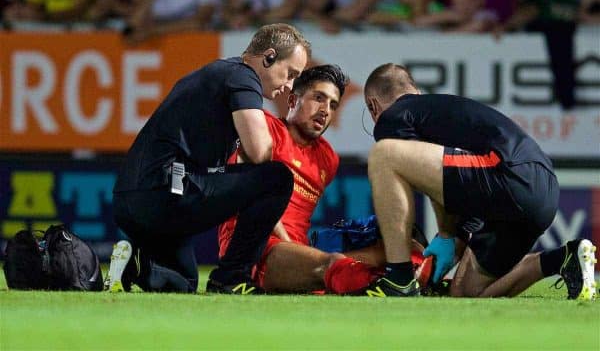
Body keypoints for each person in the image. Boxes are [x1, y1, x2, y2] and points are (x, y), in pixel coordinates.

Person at [104, 23, 310, 295]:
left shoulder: (215, 75)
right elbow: (260, 153)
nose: (290, 85)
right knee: (278, 177)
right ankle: (231, 277)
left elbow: (246, 183)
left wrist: (285, 241)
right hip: (165, 194)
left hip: (132, 200)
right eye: (290, 73)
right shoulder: (243, 76)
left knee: (184, 283)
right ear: (269, 57)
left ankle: (137, 265)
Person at [361, 63, 597, 299]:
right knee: (465, 290)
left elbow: (440, 176)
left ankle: (400, 278)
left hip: (507, 172)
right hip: (544, 189)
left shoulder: (392, 117)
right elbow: (460, 182)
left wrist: (446, 235)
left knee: (384, 154)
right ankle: (564, 258)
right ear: (417, 92)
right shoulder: (437, 111)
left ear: (373, 106)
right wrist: (459, 237)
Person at [218, 64, 429, 294]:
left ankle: (397, 280)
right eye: (318, 98)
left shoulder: (327, 158)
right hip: (257, 252)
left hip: (297, 252)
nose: (325, 110)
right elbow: (253, 198)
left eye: (333, 105)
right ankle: (388, 287)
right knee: (331, 263)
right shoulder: (264, 129)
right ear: (291, 101)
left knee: (405, 247)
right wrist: (290, 244)